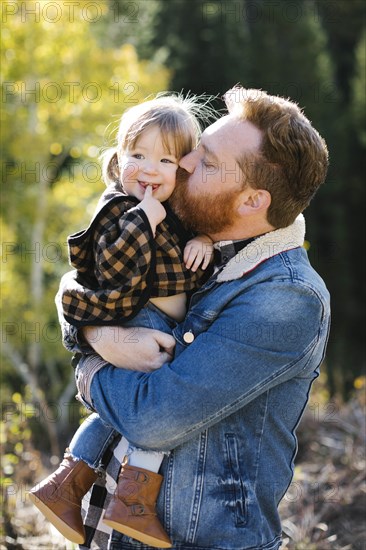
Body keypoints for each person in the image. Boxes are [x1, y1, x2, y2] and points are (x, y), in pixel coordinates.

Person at [42, 86, 330, 550]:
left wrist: (92, 362)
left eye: (208, 162)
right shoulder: (189, 235)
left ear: (252, 201)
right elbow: (79, 282)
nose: (185, 164)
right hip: (109, 532)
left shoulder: (285, 297)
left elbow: (154, 419)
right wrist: (98, 332)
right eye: (198, 150)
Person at [29, 95, 216, 548]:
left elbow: (195, 236)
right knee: (157, 406)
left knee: (128, 408)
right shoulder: (118, 208)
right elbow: (111, 268)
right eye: (138, 155)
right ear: (118, 158)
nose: (148, 169)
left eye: (165, 158)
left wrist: (206, 237)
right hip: (140, 317)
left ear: (182, 169)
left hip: (162, 324)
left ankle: (67, 482)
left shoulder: (176, 210)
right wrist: (142, 219)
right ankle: (131, 500)